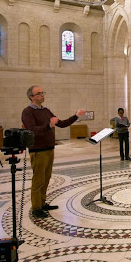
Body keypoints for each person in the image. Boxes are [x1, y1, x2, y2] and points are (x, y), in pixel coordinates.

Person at [21, 86, 85, 218]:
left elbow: (60, 123)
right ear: (31, 97)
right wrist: (48, 126)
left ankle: (42, 203)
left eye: (43, 93)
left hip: (49, 149)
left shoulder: (45, 111)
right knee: (38, 180)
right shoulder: (27, 112)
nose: (42, 95)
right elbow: (32, 129)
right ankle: (36, 207)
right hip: (38, 150)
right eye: (38, 94)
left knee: (46, 178)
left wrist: (76, 116)